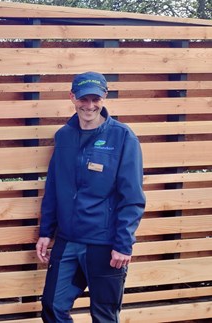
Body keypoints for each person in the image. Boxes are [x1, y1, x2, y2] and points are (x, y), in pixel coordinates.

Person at [35, 71, 146, 322]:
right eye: (84, 99)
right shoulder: (63, 136)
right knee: (52, 307)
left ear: (104, 97)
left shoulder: (122, 137)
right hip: (68, 240)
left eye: (96, 99)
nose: (90, 106)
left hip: (105, 244)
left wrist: (123, 244)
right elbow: (54, 188)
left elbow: (133, 197)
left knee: (104, 315)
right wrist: (46, 232)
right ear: (72, 97)